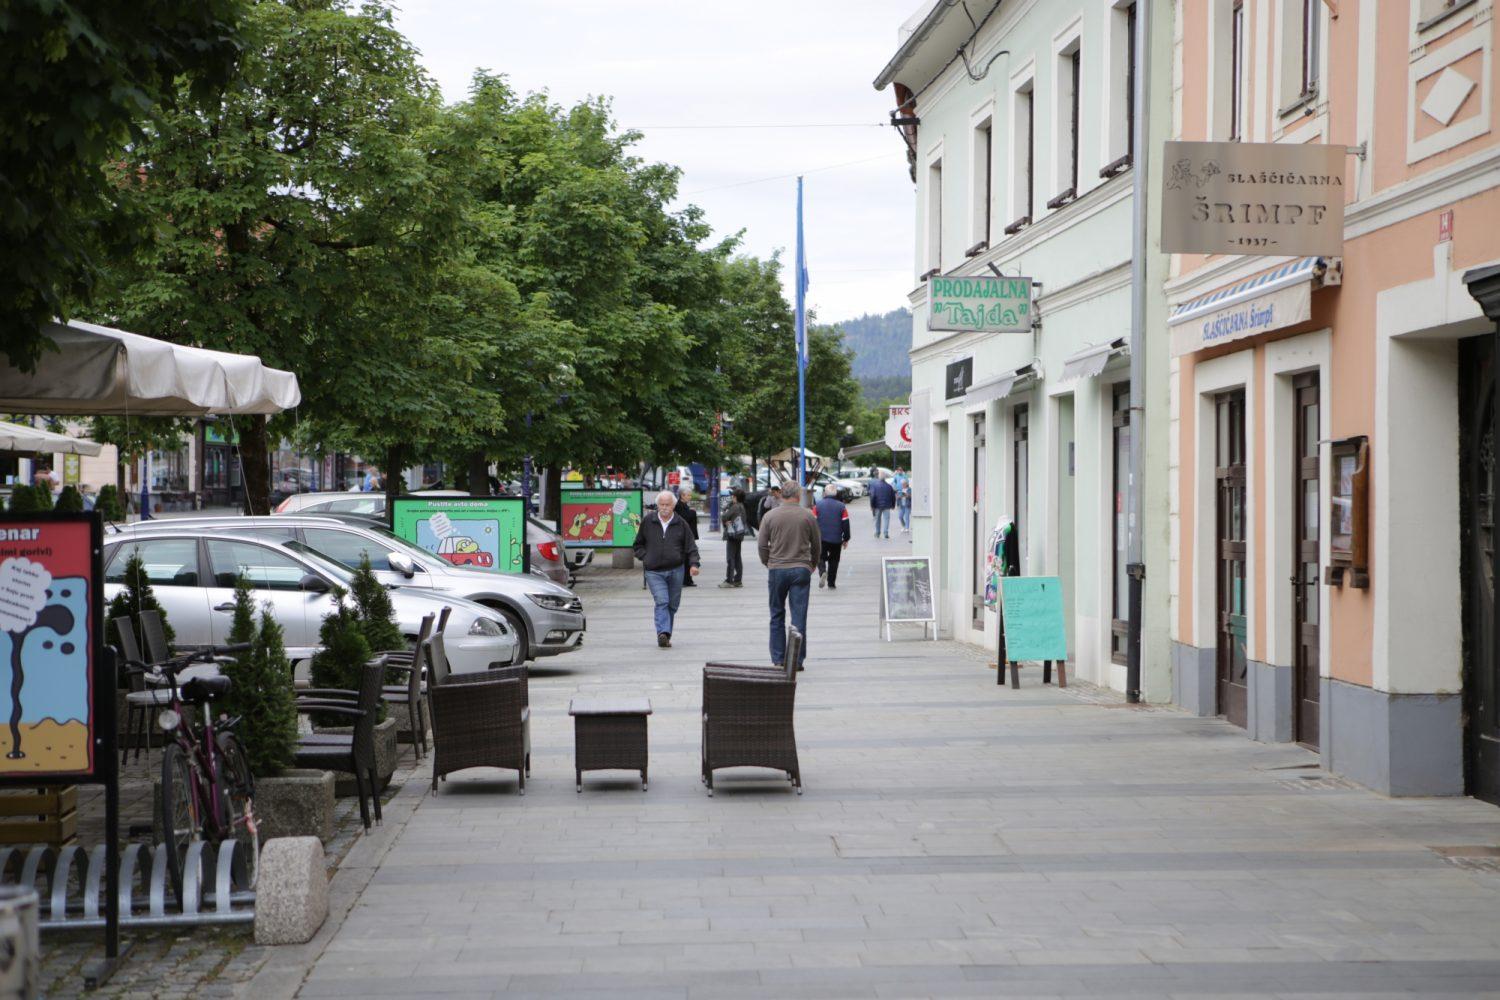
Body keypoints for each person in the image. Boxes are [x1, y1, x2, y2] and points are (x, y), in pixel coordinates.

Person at [757, 481, 820, 669]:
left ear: (781, 494)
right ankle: (796, 660)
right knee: (799, 616)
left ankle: (778, 658)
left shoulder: (770, 516)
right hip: (801, 569)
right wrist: (812, 565)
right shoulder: (808, 516)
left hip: (777, 568)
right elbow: (817, 545)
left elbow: (761, 545)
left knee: (776, 614)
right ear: (798, 496)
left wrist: (768, 562)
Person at [632, 490, 700, 648]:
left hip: (676, 570)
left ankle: (665, 633)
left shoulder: (680, 523)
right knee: (662, 601)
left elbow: (691, 546)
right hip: (654, 571)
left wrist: (694, 564)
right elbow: (638, 544)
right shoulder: (648, 521)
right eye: (661, 504)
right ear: (657, 505)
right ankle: (663, 633)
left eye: (667, 505)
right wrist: (645, 557)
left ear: (673, 505)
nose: (664, 507)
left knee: (672, 604)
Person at [814, 487, 850, 589]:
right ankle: (831, 583)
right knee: (834, 560)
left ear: (825, 493)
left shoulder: (818, 505)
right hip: (836, 538)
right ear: (835, 494)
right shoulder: (842, 506)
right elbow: (845, 523)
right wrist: (846, 538)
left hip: (821, 537)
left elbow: (813, 521)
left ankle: (822, 572)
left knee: (820, 557)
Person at [719, 487, 748, 589]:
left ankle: (729, 580)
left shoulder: (735, 507)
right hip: (739, 535)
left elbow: (724, 517)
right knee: (737, 558)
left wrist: (725, 521)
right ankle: (738, 580)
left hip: (732, 534)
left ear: (735, 497)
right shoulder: (742, 506)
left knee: (730, 558)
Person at [675, 487, 700, 586]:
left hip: (688, 536)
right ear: (682, 496)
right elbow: (683, 517)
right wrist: (692, 512)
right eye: (688, 495)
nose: (690, 497)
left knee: (689, 557)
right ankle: (685, 580)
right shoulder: (678, 506)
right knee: (685, 558)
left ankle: (688, 579)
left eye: (690, 495)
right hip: (683, 536)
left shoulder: (684, 505)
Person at [868, 470, 896, 539]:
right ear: (885, 477)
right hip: (887, 506)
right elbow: (893, 496)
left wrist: (872, 506)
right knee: (886, 519)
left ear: (879, 477)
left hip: (877, 506)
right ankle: (886, 533)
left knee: (877, 519)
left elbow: (873, 496)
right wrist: (893, 505)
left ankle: (877, 533)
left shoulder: (875, 486)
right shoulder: (889, 486)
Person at [894, 467, 912, 533]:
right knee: (900, 516)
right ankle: (903, 526)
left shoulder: (909, 489)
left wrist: (906, 495)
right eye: (902, 484)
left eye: (904, 484)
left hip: (907, 505)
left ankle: (907, 527)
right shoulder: (900, 490)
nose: (903, 485)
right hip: (902, 505)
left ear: (906, 484)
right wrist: (898, 497)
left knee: (907, 516)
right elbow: (897, 497)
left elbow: (910, 496)